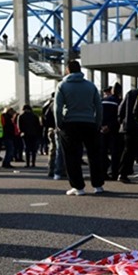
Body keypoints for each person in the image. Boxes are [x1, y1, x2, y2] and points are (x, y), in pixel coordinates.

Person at [54, 60, 104, 196]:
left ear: (68, 69)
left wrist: (59, 124)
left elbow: (58, 108)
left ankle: (78, 187)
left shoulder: (62, 85)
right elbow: (99, 107)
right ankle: (98, 185)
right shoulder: (90, 86)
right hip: (89, 123)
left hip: (70, 124)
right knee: (94, 155)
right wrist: (97, 123)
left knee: (72, 156)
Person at [117, 77, 138, 184]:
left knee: (127, 151)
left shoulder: (130, 93)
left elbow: (121, 109)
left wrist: (122, 121)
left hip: (128, 127)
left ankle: (122, 174)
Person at [100, 86, 121, 180]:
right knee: (115, 153)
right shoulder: (119, 102)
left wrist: (101, 126)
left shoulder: (102, 101)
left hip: (101, 129)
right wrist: (110, 126)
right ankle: (114, 173)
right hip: (114, 130)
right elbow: (119, 117)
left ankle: (103, 172)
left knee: (102, 152)